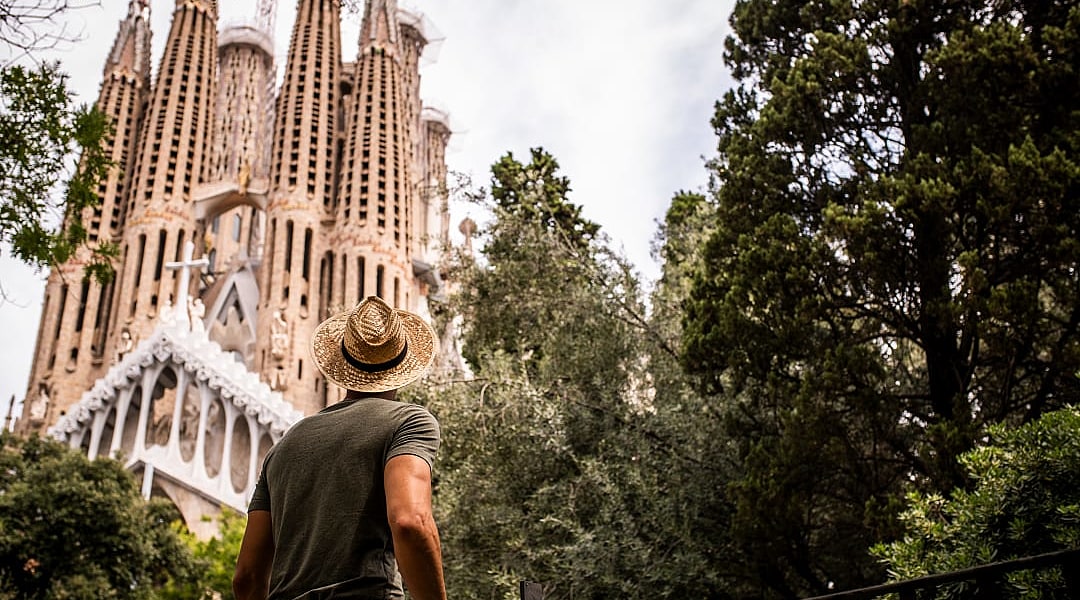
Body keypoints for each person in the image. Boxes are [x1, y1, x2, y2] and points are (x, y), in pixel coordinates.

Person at [233, 296, 446, 600]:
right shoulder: (409, 422)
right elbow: (410, 521)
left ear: (344, 364)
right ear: (402, 364)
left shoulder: (283, 448)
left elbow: (246, 577)